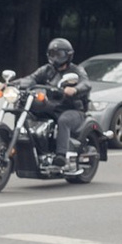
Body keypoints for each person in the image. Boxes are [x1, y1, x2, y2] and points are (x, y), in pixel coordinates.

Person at [28, 36, 92, 166]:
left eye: (59, 54)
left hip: (73, 109)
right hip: (53, 107)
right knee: (29, 111)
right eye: (53, 54)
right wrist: (10, 84)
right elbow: (31, 79)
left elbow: (86, 83)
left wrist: (75, 90)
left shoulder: (76, 70)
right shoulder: (47, 70)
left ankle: (61, 156)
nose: (56, 57)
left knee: (64, 120)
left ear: (68, 56)